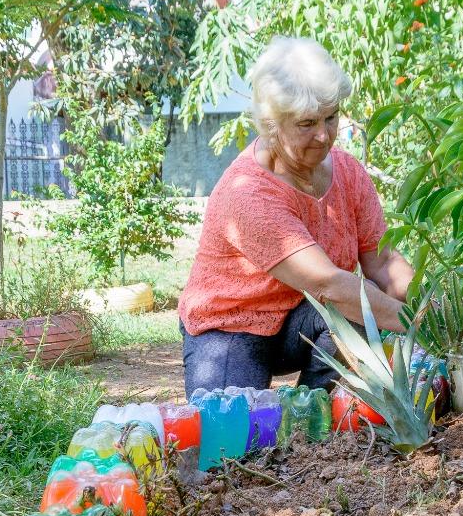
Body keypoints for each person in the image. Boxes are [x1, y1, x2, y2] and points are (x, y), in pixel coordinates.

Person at [178, 36, 416, 397]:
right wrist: (414, 323)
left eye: (331, 117)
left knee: (357, 309)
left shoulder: (348, 174)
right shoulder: (249, 193)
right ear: (273, 124)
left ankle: (312, 415)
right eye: (307, 123)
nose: (324, 135)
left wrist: (434, 309)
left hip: (300, 319)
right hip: (231, 323)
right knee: (231, 434)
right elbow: (329, 284)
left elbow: (383, 261)